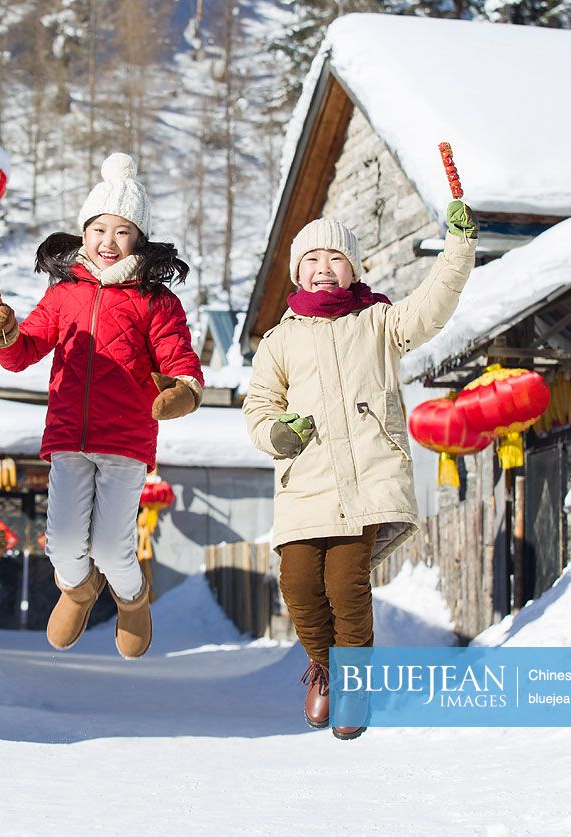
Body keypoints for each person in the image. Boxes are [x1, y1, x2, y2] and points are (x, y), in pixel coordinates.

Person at [243, 202, 478, 738]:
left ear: (354, 269)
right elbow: (259, 405)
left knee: (346, 585)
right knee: (300, 585)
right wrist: (276, 433)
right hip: (304, 483)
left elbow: (432, 305)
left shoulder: (378, 322)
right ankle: (323, 671)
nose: (324, 266)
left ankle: (353, 684)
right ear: (297, 272)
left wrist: (459, 248)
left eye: (336, 257)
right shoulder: (279, 341)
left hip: (367, 480)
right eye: (312, 259)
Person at [0, 153, 203, 659]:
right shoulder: (63, 295)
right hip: (67, 438)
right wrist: (4, 334)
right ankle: (78, 591)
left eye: (122, 232)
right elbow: (23, 352)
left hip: (125, 440)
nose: (108, 241)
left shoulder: (156, 301)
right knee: (60, 543)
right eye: (99, 228)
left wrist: (182, 390)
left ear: (138, 239)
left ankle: (131, 597)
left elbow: (179, 360)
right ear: (84, 233)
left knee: (109, 546)